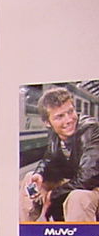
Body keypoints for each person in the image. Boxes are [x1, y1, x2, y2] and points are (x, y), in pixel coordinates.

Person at [20, 86, 99, 222]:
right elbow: (49, 157)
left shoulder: (90, 129)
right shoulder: (55, 132)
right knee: (29, 179)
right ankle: (24, 228)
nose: (69, 120)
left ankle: (76, 235)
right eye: (60, 116)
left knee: (77, 198)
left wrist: (53, 195)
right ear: (47, 123)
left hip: (93, 186)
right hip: (72, 182)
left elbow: (88, 178)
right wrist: (40, 173)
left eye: (70, 111)